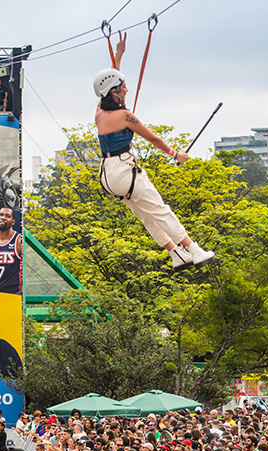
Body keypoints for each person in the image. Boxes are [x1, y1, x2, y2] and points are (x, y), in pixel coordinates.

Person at [93, 34, 215, 273]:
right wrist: (175, 154)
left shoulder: (99, 112)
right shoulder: (125, 117)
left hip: (108, 177)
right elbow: (153, 138)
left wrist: (118, 55)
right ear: (115, 92)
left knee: (146, 214)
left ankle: (175, 253)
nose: (126, 89)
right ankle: (194, 250)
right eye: (123, 87)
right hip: (125, 173)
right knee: (160, 210)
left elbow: (107, 83)